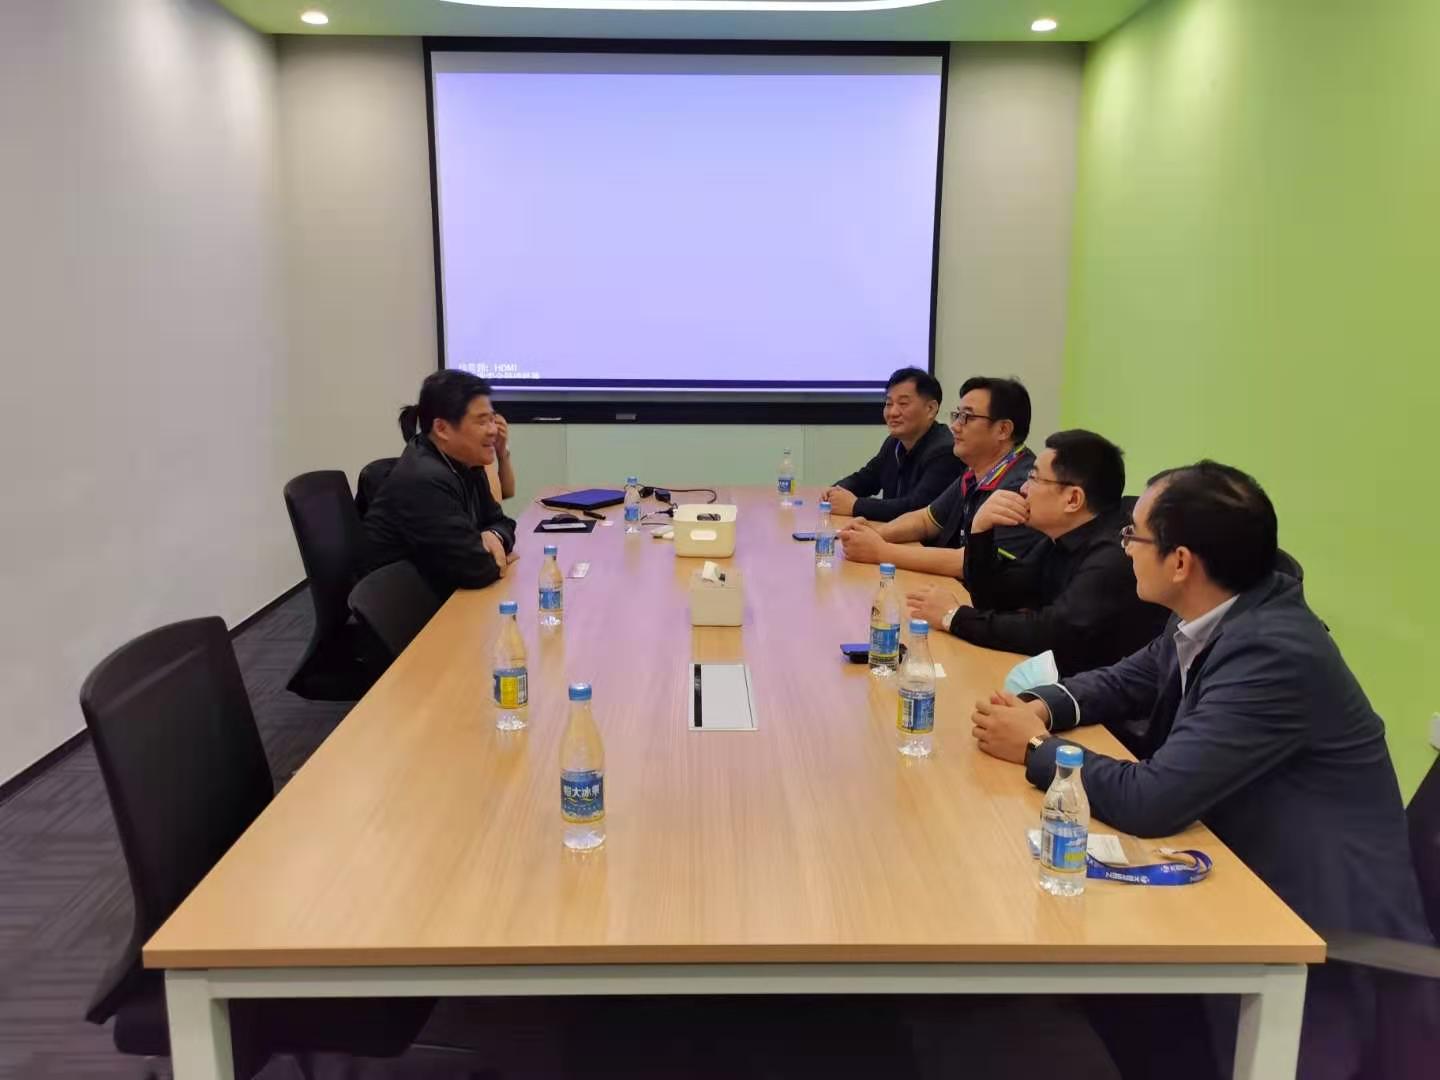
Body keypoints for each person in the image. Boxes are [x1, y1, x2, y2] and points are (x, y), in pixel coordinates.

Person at [969, 461, 1432, 1078]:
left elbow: (1153, 800)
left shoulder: (1274, 652)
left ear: (1181, 562)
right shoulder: (1215, 611)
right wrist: (1040, 707)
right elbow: (1127, 680)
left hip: (1311, 930)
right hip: (1237, 870)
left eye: (1133, 535)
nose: (1125, 548)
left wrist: (1034, 749)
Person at [905, 430, 1168, 676]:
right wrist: (981, 531)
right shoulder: (1059, 537)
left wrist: (953, 616)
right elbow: (998, 597)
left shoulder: (1113, 555)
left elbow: (1050, 633)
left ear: (1073, 499)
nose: (1023, 488)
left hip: (1101, 698)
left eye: (1033, 478)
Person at [838, 376, 1040, 578]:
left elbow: (971, 563)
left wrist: (881, 551)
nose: (955, 427)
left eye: (967, 417)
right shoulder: (974, 473)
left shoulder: (1023, 486)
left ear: (1003, 430)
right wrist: (874, 535)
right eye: (957, 415)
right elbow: (926, 520)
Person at [362, 370, 518, 598]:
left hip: (436, 593)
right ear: (442, 429)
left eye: (492, 419)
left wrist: (494, 535)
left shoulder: (467, 462)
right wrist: (493, 551)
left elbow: (502, 522)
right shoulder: (423, 480)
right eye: (482, 421)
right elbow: (476, 569)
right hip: (400, 609)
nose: (494, 430)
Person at [821, 367, 962, 522]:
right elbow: (866, 478)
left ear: (930, 409)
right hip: (891, 533)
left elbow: (917, 508)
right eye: (889, 404)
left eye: (903, 403)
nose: (893, 412)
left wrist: (855, 506)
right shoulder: (894, 442)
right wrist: (836, 490)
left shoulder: (945, 452)